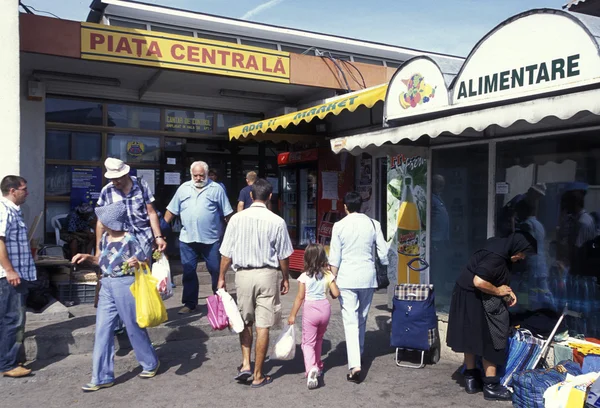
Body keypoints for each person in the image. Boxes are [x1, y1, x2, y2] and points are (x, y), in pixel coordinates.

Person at [73, 202, 160, 392]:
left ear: (110, 221)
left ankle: (150, 363)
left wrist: (137, 262)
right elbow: (101, 261)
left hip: (125, 285)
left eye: (102, 219)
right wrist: (87, 257)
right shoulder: (104, 238)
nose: (99, 222)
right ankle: (101, 376)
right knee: (102, 330)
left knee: (133, 326)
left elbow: (144, 260)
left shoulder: (130, 239)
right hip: (106, 285)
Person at [217, 178, 293, 388]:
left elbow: (226, 253)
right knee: (263, 324)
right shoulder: (277, 221)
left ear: (250, 196)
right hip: (267, 275)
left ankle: (245, 364)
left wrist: (221, 276)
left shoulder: (236, 219)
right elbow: (283, 256)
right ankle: (258, 374)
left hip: (243, 275)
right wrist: (285, 278)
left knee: (244, 321)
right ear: (270, 197)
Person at [446, 231, 536, 401]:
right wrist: (499, 291)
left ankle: (471, 378)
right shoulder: (496, 257)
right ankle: (491, 386)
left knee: (471, 336)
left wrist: (507, 292)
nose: (522, 258)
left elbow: (493, 276)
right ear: (516, 247)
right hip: (476, 294)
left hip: (466, 294)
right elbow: (479, 281)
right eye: (522, 253)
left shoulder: (499, 245)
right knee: (492, 337)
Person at [328, 191, 388, 384]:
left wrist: (331, 279)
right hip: (367, 277)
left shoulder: (339, 226)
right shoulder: (373, 224)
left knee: (350, 320)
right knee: (361, 316)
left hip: (346, 278)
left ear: (345, 206)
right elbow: (383, 252)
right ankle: (359, 352)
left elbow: (335, 257)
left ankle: (355, 364)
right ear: (361, 206)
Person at [164, 161, 233, 314]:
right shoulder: (183, 189)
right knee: (188, 272)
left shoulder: (216, 189)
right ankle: (190, 303)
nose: (199, 178)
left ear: (207, 174)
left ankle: (219, 301)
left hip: (211, 239)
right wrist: (160, 230)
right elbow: (171, 211)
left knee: (216, 270)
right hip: (187, 238)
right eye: (196, 175)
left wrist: (235, 232)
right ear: (191, 174)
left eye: (202, 175)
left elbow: (228, 213)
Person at [287, 243, 339, 390]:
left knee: (307, 343)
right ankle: (319, 365)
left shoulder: (304, 276)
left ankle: (311, 369)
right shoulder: (328, 275)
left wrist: (292, 315)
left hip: (310, 310)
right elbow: (336, 294)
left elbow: (299, 297)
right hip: (325, 308)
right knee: (319, 339)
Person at [0, 175, 36, 378]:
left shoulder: (14, 211)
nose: (27, 192)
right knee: (12, 319)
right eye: (24, 188)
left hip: (16, 274)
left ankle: (7, 358)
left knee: (9, 318)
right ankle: (8, 364)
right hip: (10, 276)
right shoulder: (4, 210)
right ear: (13, 190)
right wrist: (9, 270)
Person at [96, 158, 166, 260]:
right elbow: (101, 222)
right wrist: (98, 249)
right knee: (121, 272)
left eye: (118, 178)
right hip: (118, 241)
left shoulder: (142, 185)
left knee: (143, 273)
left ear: (126, 174)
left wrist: (158, 237)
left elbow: (151, 213)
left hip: (143, 238)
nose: (115, 182)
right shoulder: (107, 191)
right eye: (112, 179)